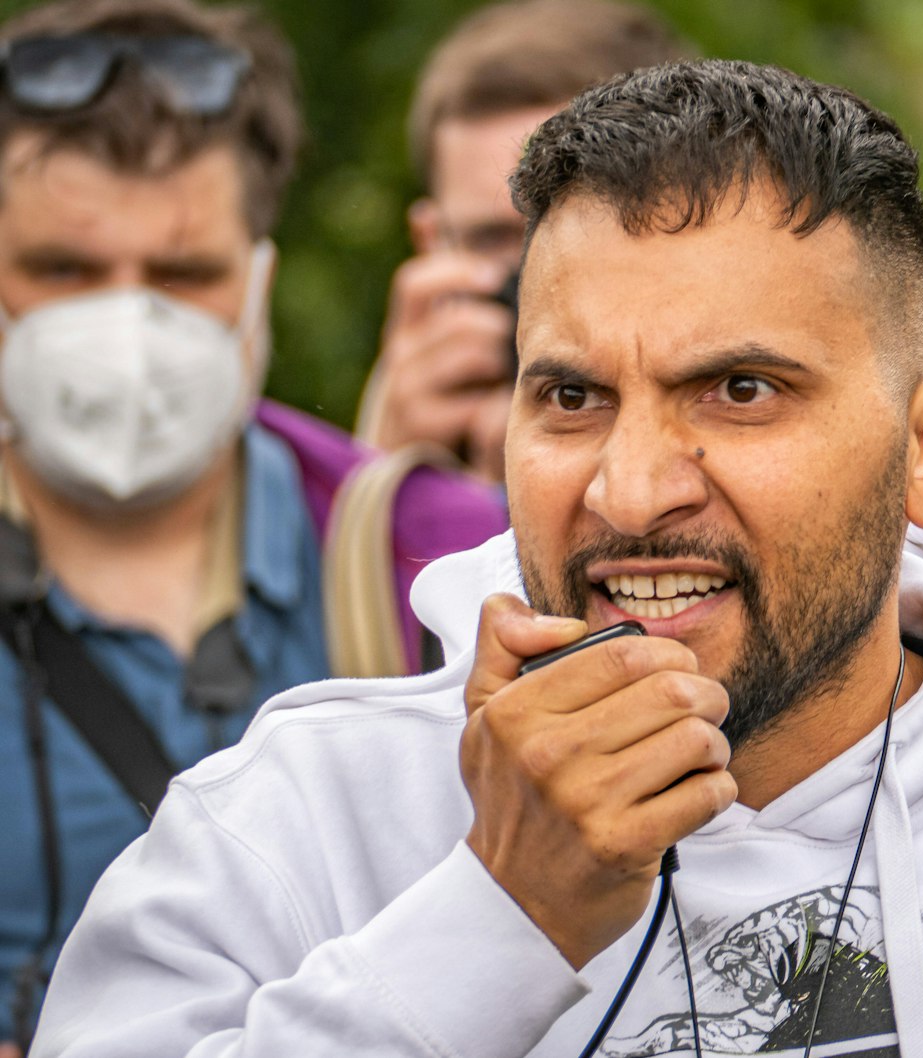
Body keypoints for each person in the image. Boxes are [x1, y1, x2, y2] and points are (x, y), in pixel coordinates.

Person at [34, 60, 923, 1057]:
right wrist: (491, 922)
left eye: (742, 392)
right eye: (571, 396)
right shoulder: (285, 831)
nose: (634, 489)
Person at [0, 0, 506, 1049]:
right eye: (63, 270)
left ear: (260, 281)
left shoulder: (438, 559)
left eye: (184, 276)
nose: (126, 324)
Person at [352, 0, 691, 482]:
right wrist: (386, 484)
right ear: (431, 242)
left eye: (566, 221)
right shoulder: (405, 432)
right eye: (493, 239)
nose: (536, 269)